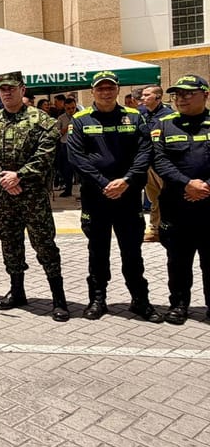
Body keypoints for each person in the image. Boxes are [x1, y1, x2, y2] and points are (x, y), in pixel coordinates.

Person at [67, 70, 162, 322]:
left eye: (110, 88)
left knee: (132, 252)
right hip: (95, 198)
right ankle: (97, 300)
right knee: (97, 251)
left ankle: (140, 300)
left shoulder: (134, 117)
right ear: (93, 91)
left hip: (128, 197)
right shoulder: (80, 119)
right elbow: (76, 157)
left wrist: (126, 180)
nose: (106, 92)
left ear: (117, 90)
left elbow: (145, 152)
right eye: (101, 88)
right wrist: (103, 183)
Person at [0, 71, 69, 321]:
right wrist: (2, 178)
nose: (7, 93)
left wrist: (19, 176)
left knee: (45, 245)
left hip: (33, 197)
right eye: (3, 89)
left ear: (22, 89)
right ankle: (17, 291)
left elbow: (46, 154)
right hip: (4, 197)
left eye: (11, 88)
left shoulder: (41, 120)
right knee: (10, 243)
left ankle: (58, 299)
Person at [152, 75, 210, 325]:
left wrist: (206, 187)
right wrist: (187, 183)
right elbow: (159, 160)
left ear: (205, 95)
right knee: (177, 261)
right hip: (177, 205)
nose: (181, 99)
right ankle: (178, 305)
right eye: (177, 94)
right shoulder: (164, 125)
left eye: (188, 93)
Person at [139, 85, 173, 242]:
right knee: (154, 198)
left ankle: (167, 227)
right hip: (148, 163)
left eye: (147, 95)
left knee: (166, 197)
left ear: (158, 98)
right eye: (142, 95)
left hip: (163, 163)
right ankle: (155, 229)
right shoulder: (143, 113)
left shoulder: (168, 116)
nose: (143, 98)